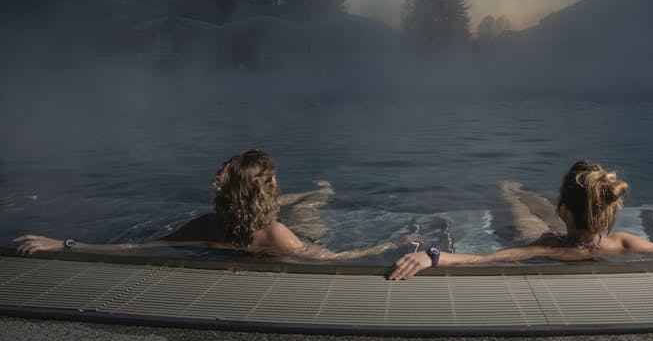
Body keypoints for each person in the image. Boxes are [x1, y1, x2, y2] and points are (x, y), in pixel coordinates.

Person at [389, 161, 653, 280]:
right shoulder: (625, 244)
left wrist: (431, 255)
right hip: (576, 227)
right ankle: (521, 190)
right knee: (531, 201)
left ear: (567, 210)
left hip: (536, 231)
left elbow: (486, 260)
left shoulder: (546, 248)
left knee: (518, 207)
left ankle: (508, 188)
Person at [17, 148, 415, 261]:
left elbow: (136, 247)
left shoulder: (208, 223)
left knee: (300, 208)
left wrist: (65, 244)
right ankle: (322, 192)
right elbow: (331, 258)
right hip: (295, 239)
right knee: (311, 212)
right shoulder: (276, 232)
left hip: (246, 226)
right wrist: (390, 245)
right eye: (274, 179)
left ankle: (316, 193)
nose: (276, 179)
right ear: (267, 186)